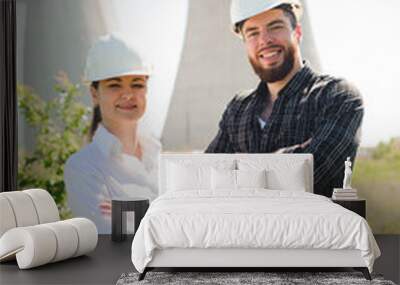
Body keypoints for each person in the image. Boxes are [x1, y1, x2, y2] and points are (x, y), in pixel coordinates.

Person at [206, 0, 364, 197]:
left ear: (297, 32)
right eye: (253, 33)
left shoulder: (337, 96)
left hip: (309, 227)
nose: (264, 40)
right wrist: (287, 159)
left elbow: (309, 174)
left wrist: (237, 168)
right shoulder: (237, 109)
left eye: (275, 27)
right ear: (245, 44)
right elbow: (207, 177)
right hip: (242, 227)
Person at [64, 34, 161, 234]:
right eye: (114, 85)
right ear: (94, 94)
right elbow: (110, 237)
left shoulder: (158, 154)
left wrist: (128, 213)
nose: (127, 94)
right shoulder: (83, 167)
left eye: (137, 84)